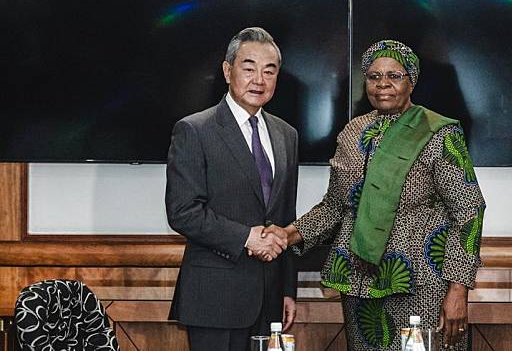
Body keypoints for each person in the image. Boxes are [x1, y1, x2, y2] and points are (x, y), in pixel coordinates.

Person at [266, 40, 485, 350]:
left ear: (412, 80)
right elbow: (334, 207)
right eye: (373, 76)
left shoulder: (438, 133)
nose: (383, 84)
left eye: (394, 76)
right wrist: (287, 235)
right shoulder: (353, 132)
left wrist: (458, 290)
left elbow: (469, 211)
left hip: (419, 282)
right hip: (358, 282)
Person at [165, 27, 298, 351]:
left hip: (270, 301)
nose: (259, 80)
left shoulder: (286, 135)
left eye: (270, 71)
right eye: (248, 68)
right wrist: (246, 237)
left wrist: (287, 289)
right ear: (228, 71)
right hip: (215, 299)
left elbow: (285, 215)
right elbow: (183, 212)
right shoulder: (194, 130)